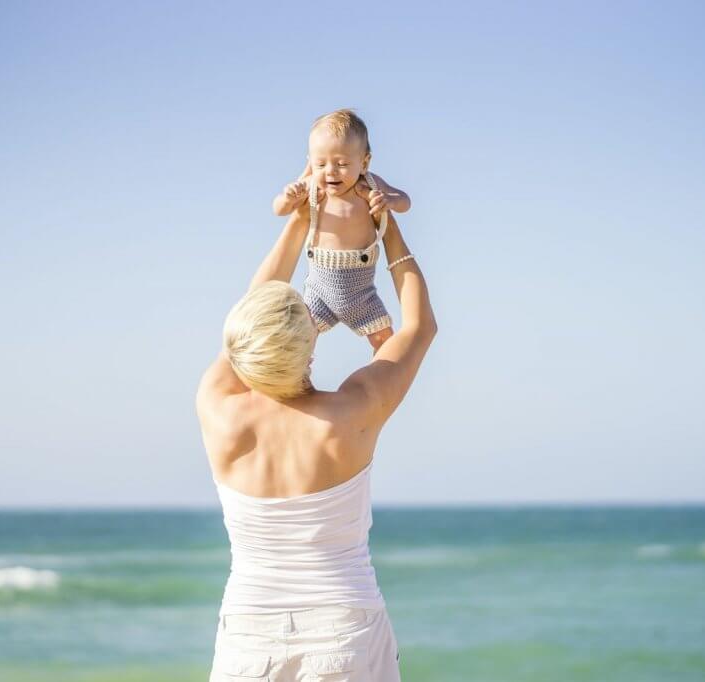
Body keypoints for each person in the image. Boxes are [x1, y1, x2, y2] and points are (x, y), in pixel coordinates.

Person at [195, 195, 437, 681]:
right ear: (310, 345)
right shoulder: (353, 412)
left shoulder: (218, 409)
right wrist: (387, 229)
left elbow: (252, 326)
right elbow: (419, 327)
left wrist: (302, 221)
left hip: (249, 636)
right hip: (344, 631)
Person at [272, 108, 411, 353]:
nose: (330, 172)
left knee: (385, 341)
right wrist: (287, 197)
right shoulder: (313, 187)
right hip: (319, 291)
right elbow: (279, 210)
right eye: (321, 163)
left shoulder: (370, 184)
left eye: (342, 163)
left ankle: (380, 383)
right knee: (298, 342)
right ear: (310, 162)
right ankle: (299, 382)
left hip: (361, 292)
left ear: (364, 162)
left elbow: (405, 200)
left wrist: (389, 200)